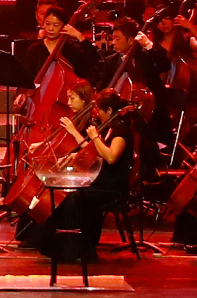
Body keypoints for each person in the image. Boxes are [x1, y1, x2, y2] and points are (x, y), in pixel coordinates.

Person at [46, 88, 134, 259]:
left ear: (109, 110)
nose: (98, 114)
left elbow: (110, 157)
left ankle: (79, 247)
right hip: (102, 180)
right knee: (65, 192)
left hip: (112, 186)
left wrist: (94, 137)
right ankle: (66, 247)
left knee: (73, 197)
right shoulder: (110, 127)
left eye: (100, 110)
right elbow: (97, 153)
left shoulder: (121, 131)